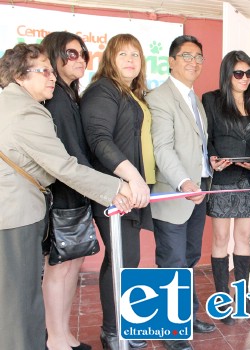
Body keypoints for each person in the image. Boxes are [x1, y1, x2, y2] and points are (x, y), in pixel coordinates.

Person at [0, 42, 133, 350]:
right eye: (43, 71)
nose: (51, 77)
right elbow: (64, 167)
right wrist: (116, 188)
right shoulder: (26, 112)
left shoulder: (12, 103)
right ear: (20, 75)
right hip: (15, 214)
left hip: (15, 211)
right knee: (22, 303)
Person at [80, 34, 154, 350]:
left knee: (126, 258)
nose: (130, 59)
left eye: (135, 54)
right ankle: (113, 330)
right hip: (114, 191)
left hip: (130, 191)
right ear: (110, 57)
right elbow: (99, 140)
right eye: (122, 53)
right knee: (122, 260)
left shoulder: (130, 92)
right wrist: (132, 179)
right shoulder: (103, 90)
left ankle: (119, 325)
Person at [147, 35, 215, 350]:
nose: (194, 62)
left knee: (188, 258)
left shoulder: (194, 98)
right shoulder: (160, 97)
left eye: (198, 56)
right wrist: (184, 182)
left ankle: (185, 316)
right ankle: (168, 329)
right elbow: (162, 148)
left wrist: (208, 164)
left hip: (198, 191)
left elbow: (194, 146)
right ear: (171, 60)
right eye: (186, 55)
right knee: (172, 260)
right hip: (176, 193)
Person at [40, 31, 97, 350]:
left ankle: (63, 334)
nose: (80, 59)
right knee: (59, 268)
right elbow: (72, 155)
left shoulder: (71, 95)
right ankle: (56, 338)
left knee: (71, 266)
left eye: (83, 53)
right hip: (63, 194)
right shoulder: (58, 99)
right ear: (53, 56)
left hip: (76, 193)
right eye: (71, 53)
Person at [203, 50, 250, 325]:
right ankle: (221, 297)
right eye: (238, 73)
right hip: (223, 178)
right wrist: (212, 159)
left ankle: (240, 296)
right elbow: (207, 138)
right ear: (227, 74)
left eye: (249, 73)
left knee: (243, 238)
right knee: (220, 239)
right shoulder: (211, 100)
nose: (244, 78)